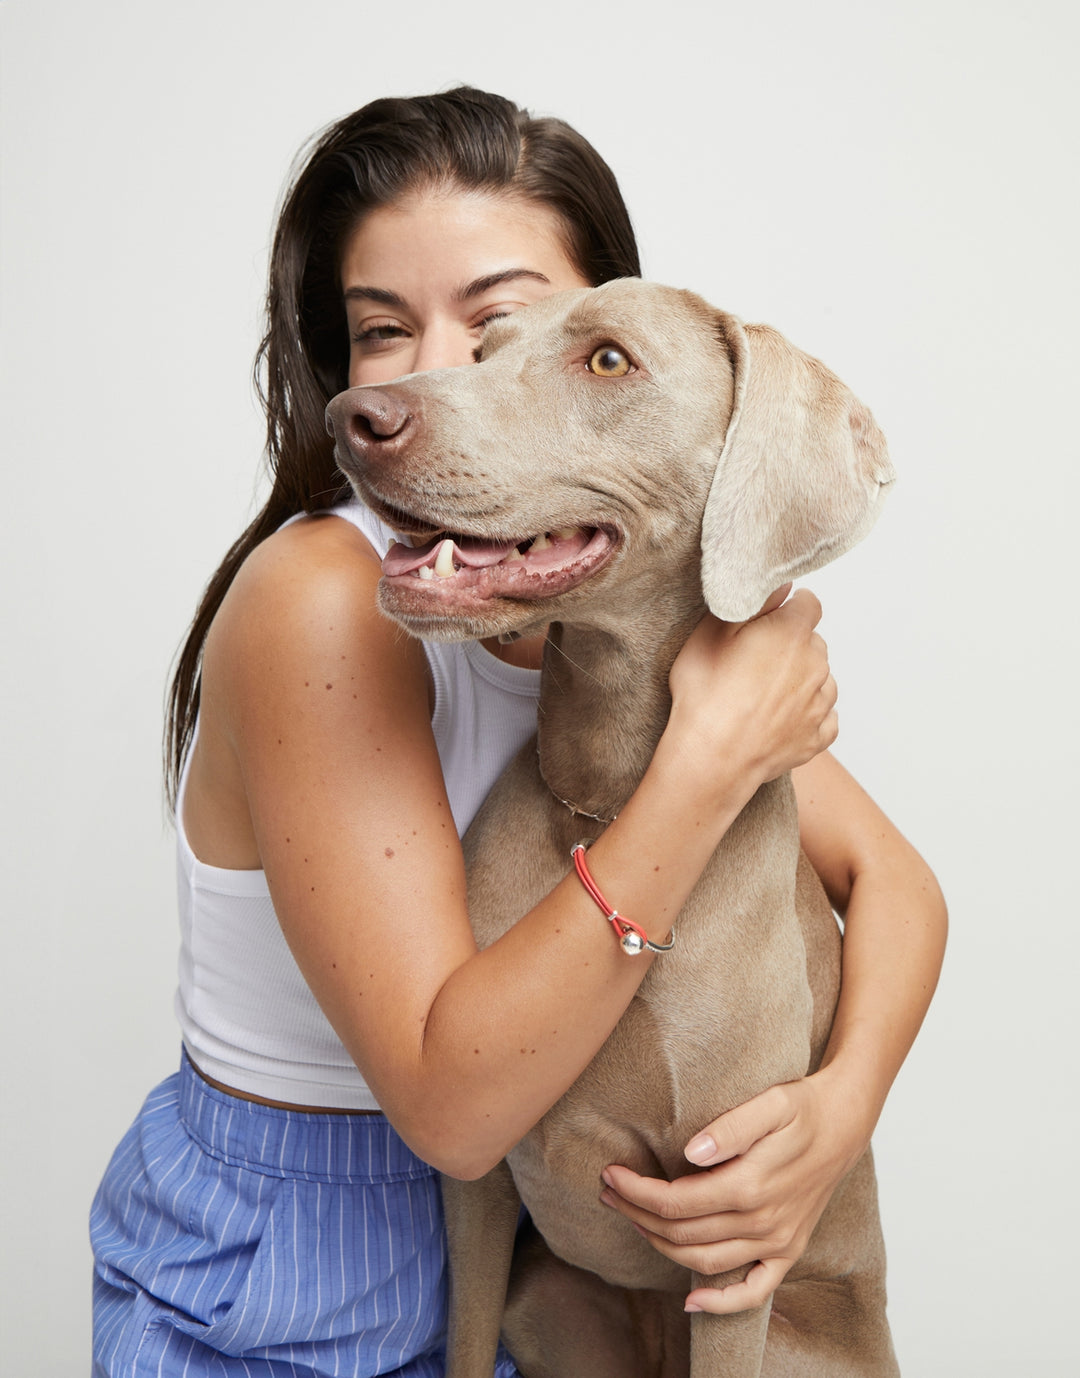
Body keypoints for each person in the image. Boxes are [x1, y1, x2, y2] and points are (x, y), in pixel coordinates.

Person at [90, 87, 946, 1376]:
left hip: (546, 1282)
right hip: (298, 1281)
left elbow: (898, 884)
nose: (439, 374)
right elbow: (455, 1112)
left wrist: (831, 1121)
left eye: (501, 325)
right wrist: (706, 766)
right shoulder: (321, 602)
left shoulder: (608, 631)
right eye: (382, 332)